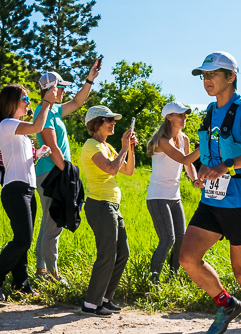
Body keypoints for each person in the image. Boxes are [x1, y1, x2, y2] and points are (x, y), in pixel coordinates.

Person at [178, 52, 241, 334]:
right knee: (187, 258)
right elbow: (209, 150)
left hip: (240, 202)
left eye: (212, 75)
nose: (206, 80)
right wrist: (203, 172)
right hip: (211, 199)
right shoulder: (210, 110)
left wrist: (225, 166)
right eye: (204, 76)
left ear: (230, 77)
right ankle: (226, 303)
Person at [0, 83, 56, 301]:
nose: (28, 102)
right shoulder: (6, 124)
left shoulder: (20, 133)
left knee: (24, 239)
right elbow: (37, 126)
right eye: (25, 99)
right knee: (23, 239)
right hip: (15, 190)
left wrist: (37, 155)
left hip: (27, 189)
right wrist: (46, 102)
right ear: (12, 102)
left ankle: (20, 283)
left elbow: (20, 160)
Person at [33, 62, 100, 285]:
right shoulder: (43, 112)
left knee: (48, 223)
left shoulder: (54, 110)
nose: (64, 92)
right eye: (61, 87)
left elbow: (78, 102)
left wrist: (89, 80)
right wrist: (68, 173)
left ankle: (41, 271)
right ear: (52, 89)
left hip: (55, 171)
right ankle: (53, 274)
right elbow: (52, 147)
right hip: (52, 173)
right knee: (54, 224)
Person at [79, 105, 137, 314]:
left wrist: (130, 148)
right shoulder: (91, 146)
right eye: (109, 120)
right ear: (96, 123)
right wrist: (123, 147)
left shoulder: (107, 146)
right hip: (100, 205)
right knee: (107, 254)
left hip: (111, 205)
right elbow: (112, 169)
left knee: (122, 252)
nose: (113, 123)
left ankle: (104, 299)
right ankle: (90, 304)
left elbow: (128, 170)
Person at [145, 101, 198, 282]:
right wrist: (206, 146)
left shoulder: (184, 139)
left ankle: (173, 278)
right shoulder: (162, 141)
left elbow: (189, 165)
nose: (184, 118)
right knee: (168, 239)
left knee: (181, 240)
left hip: (175, 197)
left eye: (185, 115)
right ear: (169, 117)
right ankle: (152, 282)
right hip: (158, 196)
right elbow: (184, 159)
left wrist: (195, 180)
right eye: (180, 115)